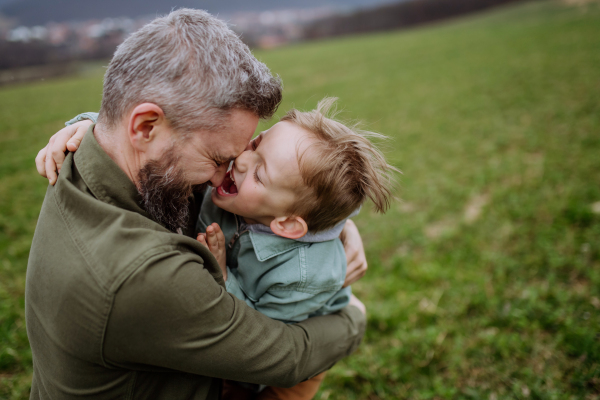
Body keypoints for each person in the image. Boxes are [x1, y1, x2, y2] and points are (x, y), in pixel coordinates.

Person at [28, 9, 367, 400]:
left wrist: (333, 227)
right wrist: (354, 315)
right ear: (145, 127)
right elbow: (287, 355)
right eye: (218, 158)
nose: (223, 175)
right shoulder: (144, 276)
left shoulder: (87, 154)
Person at [196, 97, 396, 400]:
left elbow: (264, 335)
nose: (242, 160)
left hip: (294, 366)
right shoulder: (243, 197)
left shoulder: (305, 274)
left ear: (288, 224)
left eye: (260, 174)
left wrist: (221, 275)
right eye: (255, 145)